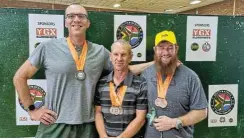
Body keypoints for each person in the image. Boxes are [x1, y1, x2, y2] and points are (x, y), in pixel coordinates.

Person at [13, 4, 152, 138]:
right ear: (65, 22)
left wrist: (156, 62)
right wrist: (32, 110)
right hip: (55, 123)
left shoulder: (100, 52)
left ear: (88, 23)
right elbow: (19, 77)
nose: (76, 19)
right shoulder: (47, 47)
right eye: (71, 16)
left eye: (81, 16)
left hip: (88, 126)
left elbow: (126, 70)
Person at [141, 30, 208, 138]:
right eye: (161, 48)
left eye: (170, 48)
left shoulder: (190, 77)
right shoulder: (146, 74)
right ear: (155, 49)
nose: (165, 52)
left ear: (176, 49)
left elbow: (201, 112)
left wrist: (174, 122)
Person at [94, 39, 147, 138]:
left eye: (123, 55)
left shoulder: (140, 84)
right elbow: (98, 113)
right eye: (115, 54)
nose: (119, 58)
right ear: (110, 57)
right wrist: (103, 136)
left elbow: (141, 119)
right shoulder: (101, 83)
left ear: (130, 57)